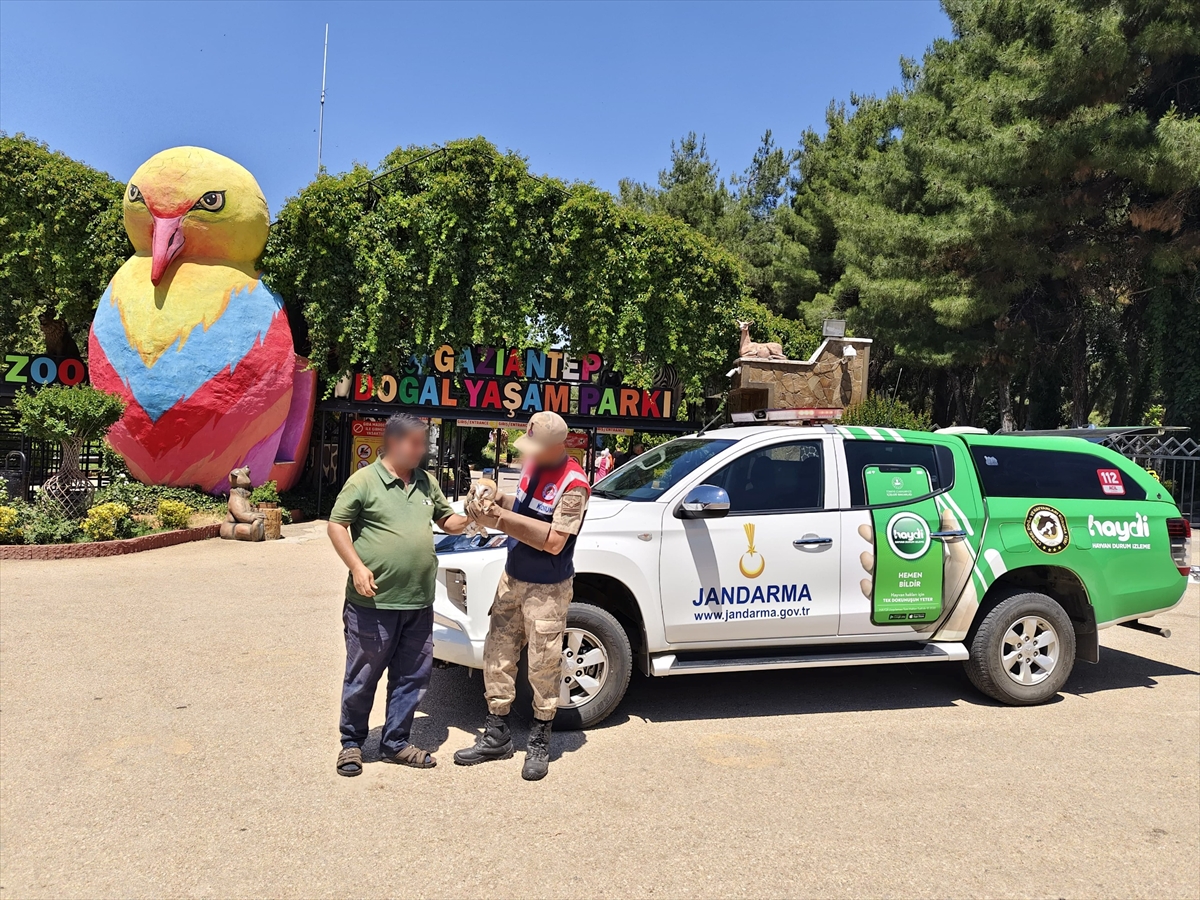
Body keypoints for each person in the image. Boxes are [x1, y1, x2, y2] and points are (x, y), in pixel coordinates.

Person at [327, 413, 471, 776]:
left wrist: (471, 514)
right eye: (416, 443)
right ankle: (351, 743)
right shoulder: (364, 481)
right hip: (373, 604)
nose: (422, 450)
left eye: (424, 443)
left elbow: (446, 521)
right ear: (393, 442)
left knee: (412, 676)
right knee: (363, 675)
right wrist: (357, 567)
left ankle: (395, 742)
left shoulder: (426, 483)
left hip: (418, 603)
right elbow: (336, 525)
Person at [453, 410, 590, 780]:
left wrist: (497, 518)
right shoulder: (534, 465)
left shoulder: (574, 484)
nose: (529, 453)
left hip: (548, 588)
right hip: (512, 578)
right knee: (498, 653)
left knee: (544, 665)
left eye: (536, 447)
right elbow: (523, 508)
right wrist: (493, 496)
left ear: (557, 446)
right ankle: (496, 734)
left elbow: (553, 540)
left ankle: (540, 738)